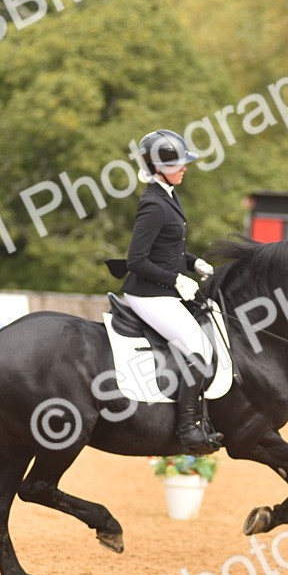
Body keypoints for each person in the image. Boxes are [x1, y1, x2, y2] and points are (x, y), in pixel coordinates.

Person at [122, 129, 223, 454]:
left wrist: (193, 264)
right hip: (147, 294)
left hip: (163, 289)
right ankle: (187, 430)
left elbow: (168, 249)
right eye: (178, 163)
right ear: (156, 167)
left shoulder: (168, 193)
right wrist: (175, 281)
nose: (185, 168)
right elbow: (136, 260)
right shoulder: (153, 203)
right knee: (198, 348)